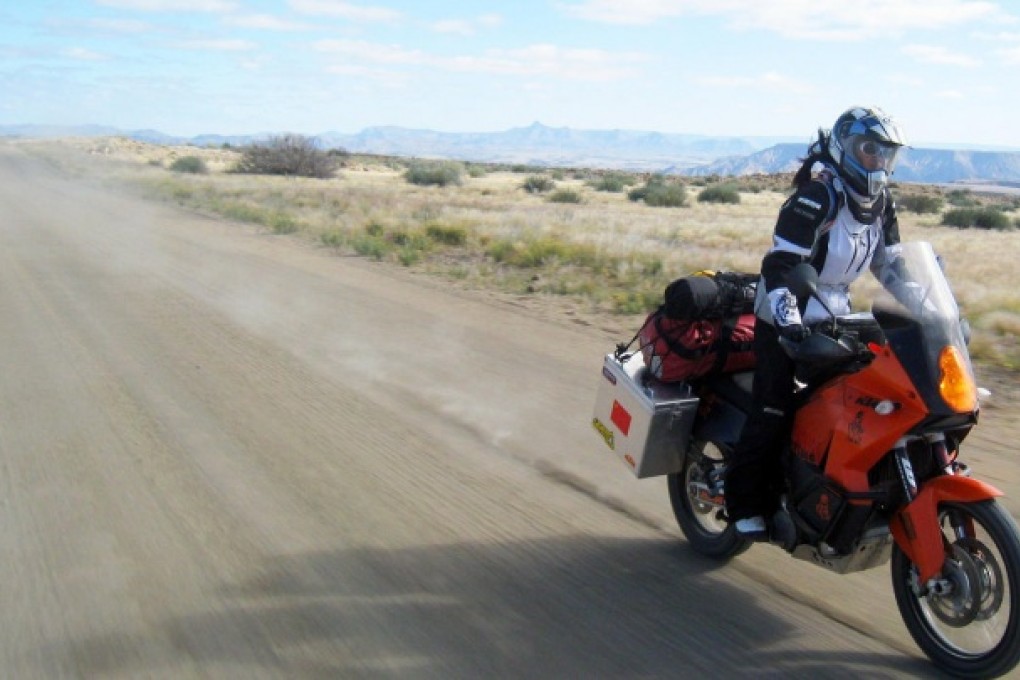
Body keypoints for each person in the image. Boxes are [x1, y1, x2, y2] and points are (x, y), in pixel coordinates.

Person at [725, 106, 909, 541]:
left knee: (872, 392)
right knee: (774, 407)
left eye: (885, 153)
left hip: (835, 314)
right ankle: (743, 504)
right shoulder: (817, 197)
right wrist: (790, 327)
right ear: (845, 148)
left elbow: (892, 266)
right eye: (869, 150)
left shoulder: (881, 203)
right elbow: (782, 266)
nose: (877, 161)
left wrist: (935, 307)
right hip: (784, 312)